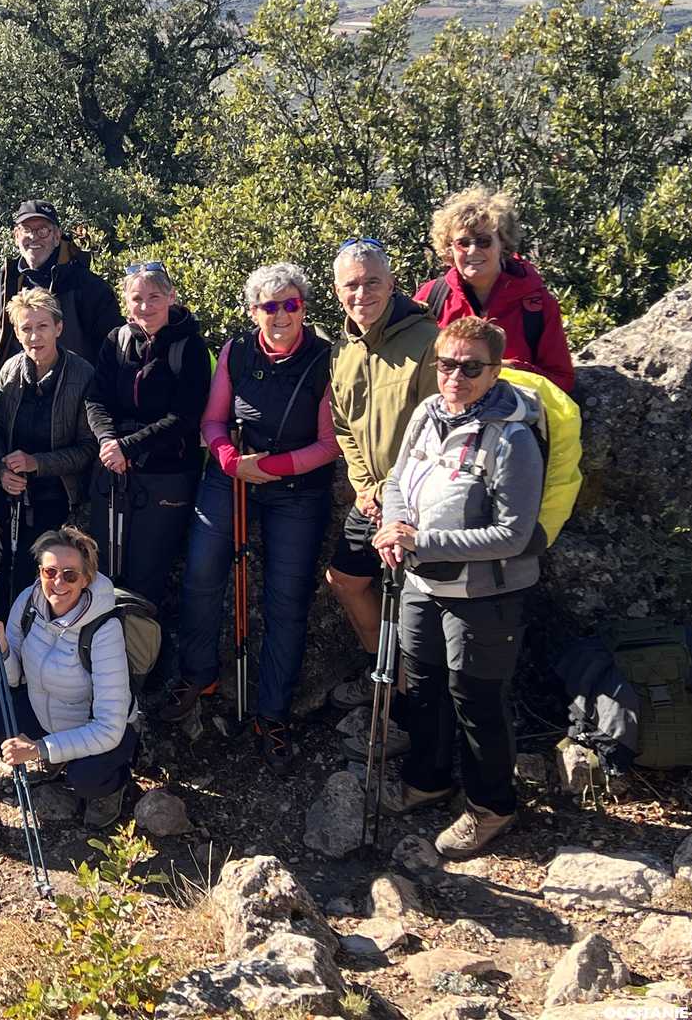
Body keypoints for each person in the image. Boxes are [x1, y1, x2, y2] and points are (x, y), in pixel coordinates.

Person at [374, 316, 544, 858]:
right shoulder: (427, 414)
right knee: (422, 686)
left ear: (495, 371)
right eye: (447, 364)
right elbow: (398, 480)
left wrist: (421, 539)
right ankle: (429, 780)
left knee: (477, 699)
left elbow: (512, 534)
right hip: (423, 581)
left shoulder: (512, 437)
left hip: (486, 593)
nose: (456, 376)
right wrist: (396, 528)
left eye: (472, 367)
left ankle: (492, 806)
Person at [164, 263, 337, 773]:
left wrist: (272, 468)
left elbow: (328, 444)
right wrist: (225, 458)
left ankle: (273, 712)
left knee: (288, 597)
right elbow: (214, 419)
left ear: (304, 307)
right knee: (201, 571)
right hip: (232, 473)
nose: (280, 314)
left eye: (291, 304)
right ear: (253, 311)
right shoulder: (236, 351)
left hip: (298, 488)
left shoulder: (325, 359)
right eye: (269, 305)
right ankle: (199, 673)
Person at [326, 238, 438, 757]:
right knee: (346, 580)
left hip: (417, 500)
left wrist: (395, 494)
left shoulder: (427, 341)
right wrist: (364, 486)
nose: (362, 293)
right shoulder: (345, 351)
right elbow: (344, 425)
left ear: (392, 283)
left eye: (372, 281)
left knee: (416, 606)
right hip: (370, 496)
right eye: (351, 284)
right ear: (337, 291)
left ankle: (418, 711)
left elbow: (440, 427)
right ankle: (385, 676)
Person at [0, 527, 136, 830]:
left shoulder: (104, 629)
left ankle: (112, 787)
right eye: (49, 571)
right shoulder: (29, 601)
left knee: (85, 779)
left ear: (86, 579)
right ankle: (60, 757)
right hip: (39, 709)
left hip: (97, 726)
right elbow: (13, 680)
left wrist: (39, 749)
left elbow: (109, 727)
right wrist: (3, 648)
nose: (57, 583)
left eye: (70, 575)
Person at [83, 261, 209, 688]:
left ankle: (137, 676)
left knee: (147, 576)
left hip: (166, 475)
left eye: (155, 296)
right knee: (101, 571)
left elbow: (186, 417)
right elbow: (96, 399)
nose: (145, 305)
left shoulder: (189, 347)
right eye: (137, 297)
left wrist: (127, 447)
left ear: (171, 298)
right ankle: (99, 671)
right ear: (126, 301)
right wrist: (107, 442)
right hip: (114, 469)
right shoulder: (116, 341)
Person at [0, 287, 96, 604]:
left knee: (43, 581)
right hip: (10, 491)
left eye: (42, 326)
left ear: (58, 328)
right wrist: (0, 469)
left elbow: (88, 449)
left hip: (56, 497)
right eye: (26, 329)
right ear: (17, 334)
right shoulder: (10, 370)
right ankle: (1, 648)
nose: (34, 337)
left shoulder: (82, 375)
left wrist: (36, 463)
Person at [414, 187, 574, 393]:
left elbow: (562, 381)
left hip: (514, 420)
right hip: (446, 419)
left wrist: (509, 371)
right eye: (463, 243)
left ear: (503, 244)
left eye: (483, 241)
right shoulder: (431, 298)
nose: (473, 250)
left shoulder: (536, 305)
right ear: (449, 248)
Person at [0, 200, 122, 410]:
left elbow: (112, 348)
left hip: (72, 399)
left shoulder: (87, 285)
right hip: (14, 391)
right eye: (27, 230)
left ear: (57, 236)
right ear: (16, 236)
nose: (33, 237)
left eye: (43, 231)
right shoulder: (8, 279)